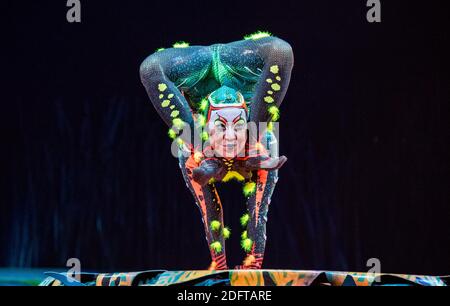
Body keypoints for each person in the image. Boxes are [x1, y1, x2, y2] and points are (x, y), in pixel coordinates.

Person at [140, 32, 293, 270]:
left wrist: (254, 263)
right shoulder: (198, 156)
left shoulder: (260, 152)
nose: (230, 137)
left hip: (200, 79)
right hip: (228, 71)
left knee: (150, 68)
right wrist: (220, 266)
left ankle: (242, 139)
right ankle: (229, 141)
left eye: (237, 129)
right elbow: (209, 209)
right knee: (281, 51)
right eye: (221, 130)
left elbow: (258, 212)